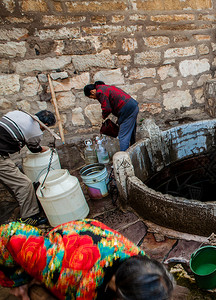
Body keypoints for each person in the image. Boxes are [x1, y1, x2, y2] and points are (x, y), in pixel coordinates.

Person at [0, 219, 174, 300]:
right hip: (68, 242)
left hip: (86, 235)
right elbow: (5, 234)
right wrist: (15, 280)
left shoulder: (138, 257)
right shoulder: (56, 265)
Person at [0, 110, 56, 226]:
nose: (43, 131)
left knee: (11, 181)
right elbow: (34, 148)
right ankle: (29, 216)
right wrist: (42, 148)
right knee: (24, 184)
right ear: (43, 125)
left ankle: (23, 201)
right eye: (44, 128)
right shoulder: (35, 131)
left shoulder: (17, 113)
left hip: (2, 152)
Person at [84, 81, 139, 151]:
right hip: (132, 106)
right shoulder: (105, 88)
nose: (94, 98)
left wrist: (103, 117)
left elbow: (107, 108)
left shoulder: (100, 92)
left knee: (123, 136)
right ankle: (134, 151)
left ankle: (123, 158)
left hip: (127, 109)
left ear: (92, 92)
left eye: (91, 97)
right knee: (130, 132)